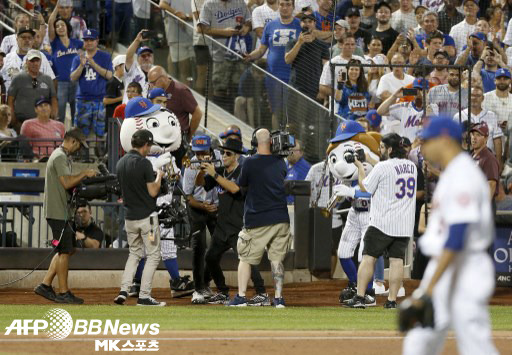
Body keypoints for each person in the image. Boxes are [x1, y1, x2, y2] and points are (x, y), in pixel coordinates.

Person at [402, 117, 498, 355]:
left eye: (427, 140)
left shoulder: (463, 176)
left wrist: (430, 288)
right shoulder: (454, 173)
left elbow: (457, 236)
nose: (423, 147)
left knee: (474, 341)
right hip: (447, 265)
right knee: (420, 338)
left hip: (464, 267)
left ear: (444, 140)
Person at [343, 133, 417, 309]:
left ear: (390, 149)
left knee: (368, 258)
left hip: (382, 223)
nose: (380, 150)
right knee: (397, 261)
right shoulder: (412, 166)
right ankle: (391, 301)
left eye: (383, 147)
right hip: (404, 224)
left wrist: (360, 166)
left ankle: (360, 297)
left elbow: (365, 187)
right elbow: (389, 169)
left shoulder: (383, 167)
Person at [195, 138, 268, 305]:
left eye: (228, 153)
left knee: (247, 259)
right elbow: (200, 184)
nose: (224, 156)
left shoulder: (244, 171)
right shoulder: (220, 171)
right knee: (211, 257)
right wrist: (202, 170)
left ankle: (262, 293)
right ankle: (222, 291)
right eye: (222, 152)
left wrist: (213, 173)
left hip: (239, 225)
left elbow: (235, 189)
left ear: (236, 156)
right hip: (222, 225)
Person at [228, 128, 291, 308]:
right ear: (271, 142)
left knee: (245, 258)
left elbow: (241, 184)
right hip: (280, 218)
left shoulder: (249, 163)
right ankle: (278, 298)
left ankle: (241, 297)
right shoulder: (280, 162)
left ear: (255, 142)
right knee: (277, 260)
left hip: (257, 219)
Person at [33, 128, 96, 304]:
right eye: (79, 146)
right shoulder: (60, 156)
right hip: (57, 212)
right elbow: (66, 182)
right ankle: (63, 292)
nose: (79, 150)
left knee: (68, 249)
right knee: (65, 251)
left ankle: (45, 285)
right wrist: (84, 173)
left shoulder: (63, 156)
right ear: (73, 141)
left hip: (62, 211)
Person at [114, 128, 166, 307]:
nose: (149, 149)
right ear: (145, 145)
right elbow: (153, 191)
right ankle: (144, 296)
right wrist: (159, 175)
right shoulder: (143, 163)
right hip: (147, 220)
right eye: (149, 145)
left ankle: (124, 290)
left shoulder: (120, 162)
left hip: (129, 219)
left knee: (134, 254)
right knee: (153, 255)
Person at [245, 0, 301, 129]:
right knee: (276, 111)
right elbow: (261, 50)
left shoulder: (300, 25)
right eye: (282, 4)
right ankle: (276, 142)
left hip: (294, 77)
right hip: (273, 77)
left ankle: (292, 146)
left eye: (288, 5)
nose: (284, 8)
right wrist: (250, 56)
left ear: (293, 7)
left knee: (293, 115)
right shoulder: (270, 26)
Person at [182, 135, 219, 304]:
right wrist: (202, 169)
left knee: (219, 245)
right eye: (197, 153)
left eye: (204, 152)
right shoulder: (190, 165)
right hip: (197, 207)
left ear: (210, 149)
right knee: (199, 246)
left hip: (217, 206)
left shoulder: (220, 157)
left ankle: (205, 281)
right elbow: (189, 197)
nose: (201, 156)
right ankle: (197, 289)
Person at [198, 0, 252, 111]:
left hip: (239, 55)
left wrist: (247, 27)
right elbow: (200, 28)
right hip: (220, 55)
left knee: (237, 89)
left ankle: (235, 119)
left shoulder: (240, 2)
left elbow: (249, 21)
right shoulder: (209, 4)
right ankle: (222, 117)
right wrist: (223, 32)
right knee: (220, 88)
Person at [70, 29, 113, 137]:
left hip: (99, 100)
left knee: (100, 133)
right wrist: (81, 65)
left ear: (97, 40)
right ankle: (81, 154)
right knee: (80, 134)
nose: (88, 42)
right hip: (82, 100)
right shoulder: (78, 58)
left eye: (91, 40)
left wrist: (93, 64)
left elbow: (109, 75)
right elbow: (73, 78)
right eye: (86, 40)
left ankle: (99, 154)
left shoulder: (105, 56)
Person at [7, 49, 58, 134]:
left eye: (37, 60)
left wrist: (53, 117)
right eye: (32, 61)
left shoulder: (47, 79)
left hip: (43, 123)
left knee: (42, 146)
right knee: (24, 146)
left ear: (41, 62)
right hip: (21, 122)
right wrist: (14, 120)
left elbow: (53, 98)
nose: (35, 63)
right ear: (26, 62)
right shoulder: (18, 78)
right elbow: (10, 100)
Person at [48, 5, 83, 124]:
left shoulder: (75, 42)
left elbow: (90, 46)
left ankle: (75, 137)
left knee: (76, 112)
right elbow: (50, 21)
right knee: (61, 112)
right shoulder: (55, 43)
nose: (60, 27)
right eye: (57, 26)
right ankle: (59, 138)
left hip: (76, 81)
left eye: (62, 25)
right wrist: (57, 6)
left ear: (67, 28)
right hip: (61, 82)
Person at [453, 86, 503, 170]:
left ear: (483, 98)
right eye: (472, 95)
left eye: (477, 96)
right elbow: (453, 141)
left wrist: (498, 161)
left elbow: (497, 140)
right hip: (465, 160)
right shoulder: (459, 116)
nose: (474, 98)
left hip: (488, 160)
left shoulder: (491, 115)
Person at [147, 66, 202, 141]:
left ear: (163, 78)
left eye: (153, 82)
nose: (152, 86)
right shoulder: (154, 91)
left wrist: (188, 136)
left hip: (177, 139)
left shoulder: (181, 91)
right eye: (150, 83)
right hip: (160, 137)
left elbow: (197, 114)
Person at [285, 14, 329, 100]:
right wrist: (299, 43)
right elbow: (287, 60)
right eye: (304, 22)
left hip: (315, 89)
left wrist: (322, 90)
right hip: (296, 87)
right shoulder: (292, 43)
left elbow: (326, 69)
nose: (307, 24)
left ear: (314, 23)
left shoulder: (322, 44)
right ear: (300, 23)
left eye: (310, 21)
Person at [1, 26, 55, 94]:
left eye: (30, 38)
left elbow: (51, 80)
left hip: (34, 100)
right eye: (23, 37)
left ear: (33, 41)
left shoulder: (41, 56)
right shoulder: (7, 58)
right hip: (11, 101)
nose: (27, 40)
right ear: (17, 39)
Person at [159, 0, 194, 84]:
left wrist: (186, 17)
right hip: (176, 30)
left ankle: (172, 85)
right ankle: (178, 91)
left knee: (177, 59)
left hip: (192, 30)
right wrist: (177, 15)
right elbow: (162, 4)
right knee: (184, 68)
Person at [470, 122, 500, 200]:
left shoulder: (489, 159)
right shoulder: (471, 156)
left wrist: (483, 208)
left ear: (486, 138)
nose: (474, 138)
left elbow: (491, 185)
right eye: (473, 134)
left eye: (478, 135)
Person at [123, 32, 154, 103]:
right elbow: (129, 56)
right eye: (143, 56)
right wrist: (137, 40)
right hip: (130, 109)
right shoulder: (133, 70)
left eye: (149, 55)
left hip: (147, 110)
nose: (146, 58)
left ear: (153, 57)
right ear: (137, 58)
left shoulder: (157, 72)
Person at [285, 139, 311, 204]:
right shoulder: (284, 165)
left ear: (301, 153)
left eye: (293, 150)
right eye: (289, 150)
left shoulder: (306, 168)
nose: (290, 153)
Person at [104, 55, 126, 121]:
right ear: (117, 67)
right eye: (123, 66)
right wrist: (122, 98)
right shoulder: (112, 82)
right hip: (112, 117)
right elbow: (106, 101)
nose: (125, 69)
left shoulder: (121, 82)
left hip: (118, 117)